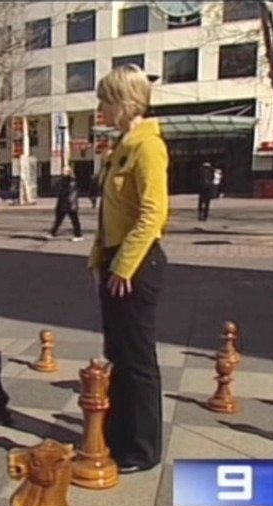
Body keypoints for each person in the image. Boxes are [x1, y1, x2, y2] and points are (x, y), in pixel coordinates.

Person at [88, 64, 170, 475]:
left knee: (137, 359)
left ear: (123, 101)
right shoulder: (121, 145)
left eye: (105, 100)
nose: (100, 109)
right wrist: (97, 259)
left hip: (136, 263)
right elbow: (109, 213)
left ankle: (142, 449)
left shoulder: (148, 146)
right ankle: (118, 438)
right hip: (114, 261)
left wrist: (122, 266)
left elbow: (153, 214)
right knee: (117, 353)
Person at [49, 166, 83, 241]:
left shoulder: (71, 180)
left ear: (69, 172)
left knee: (74, 220)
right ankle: (53, 233)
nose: (62, 172)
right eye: (62, 170)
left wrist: (67, 201)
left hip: (69, 203)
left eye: (64, 170)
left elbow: (69, 192)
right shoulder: (63, 180)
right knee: (58, 220)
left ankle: (78, 235)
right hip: (64, 203)